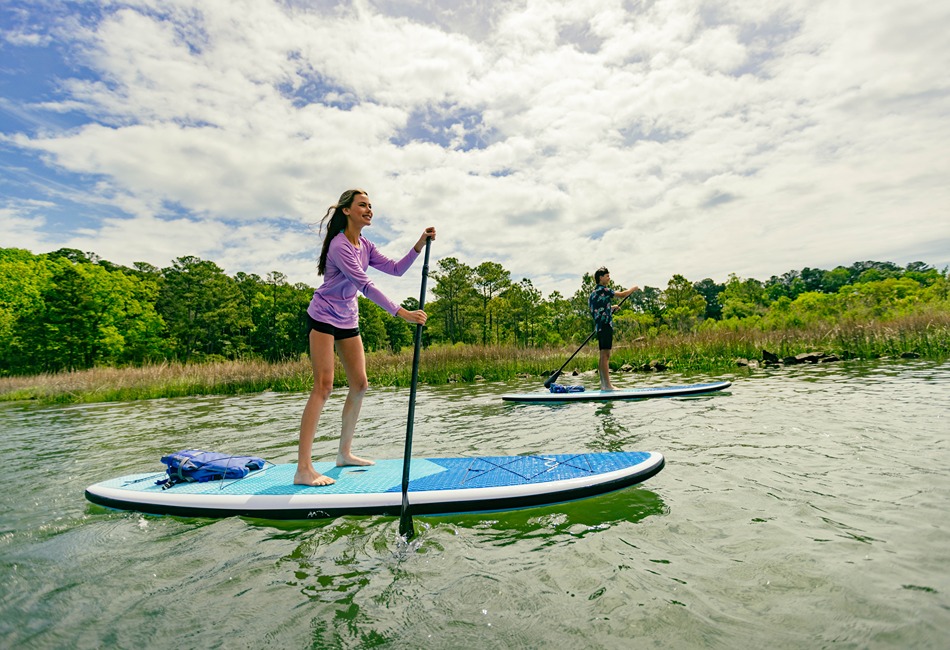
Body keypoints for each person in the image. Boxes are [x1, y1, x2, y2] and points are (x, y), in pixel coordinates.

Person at [295, 188, 436, 487]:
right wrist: (402, 313)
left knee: (360, 384)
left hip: (347, 317)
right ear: (347, 210)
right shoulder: (339, 246)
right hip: (322, 317)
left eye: (371, 206)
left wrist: (419, 245)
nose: (369, 209)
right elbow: (365, 285)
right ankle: (303, 469)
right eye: (362, 205)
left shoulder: (366, 245)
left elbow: (396, 270)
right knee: (323, 386)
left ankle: (343, 453)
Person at [589, 267, 639, 391]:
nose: (609, 278)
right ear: (600, 278)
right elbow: (622, 295)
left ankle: (603, 384)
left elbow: (597, 309)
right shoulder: (604, 289)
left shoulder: (594, 293)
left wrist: (611, 308)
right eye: (607, 276)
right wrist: (633, 289)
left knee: (602, 355)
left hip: (600, 326)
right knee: (606, 355)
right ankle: (608, 386)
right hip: (605, 325)